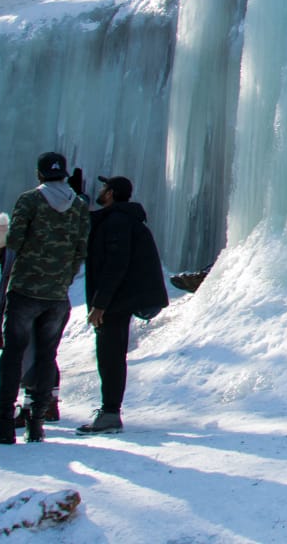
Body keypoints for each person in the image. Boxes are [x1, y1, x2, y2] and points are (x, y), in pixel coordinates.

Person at [0, 151, 90, 445]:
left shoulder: (29, 200)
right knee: (46, 356)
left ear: (40, 174)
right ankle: (36, 422)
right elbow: (81, 248)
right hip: (57, 295)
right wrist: (63, 277)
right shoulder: (78, 206)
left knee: (13, 354)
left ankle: (3, 421)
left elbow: (14, 241)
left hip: (26, 288)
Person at [79, 174, 168, 435]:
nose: (101, 191)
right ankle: (109, 411)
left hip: (115, 303)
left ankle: (109, 413)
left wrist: (100, 304)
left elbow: (115, 265)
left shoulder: (117, 221)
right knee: (111, 355)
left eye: (105, 188)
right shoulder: (123, 219)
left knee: (110, 356)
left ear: (112, 193)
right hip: (119, 300)